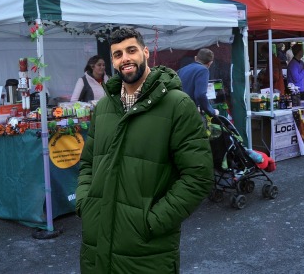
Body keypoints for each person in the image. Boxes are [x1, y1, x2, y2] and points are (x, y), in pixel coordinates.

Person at [75, 28, 213, 273]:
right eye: (117, 54)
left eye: (131, 50)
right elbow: (87, 164)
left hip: (147, 251)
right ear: (113, 61)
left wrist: (152, 221)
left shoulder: (178, 105)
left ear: (145, 52)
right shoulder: (104, 107)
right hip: (96, 246)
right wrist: (86, 205)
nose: (125, 58)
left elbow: (197, 177)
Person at [177, 48, 219, 117]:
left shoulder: (182, 70)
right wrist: (212, 111)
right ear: (210, 63)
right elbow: (200, 95)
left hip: (178, 112)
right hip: (190, 114)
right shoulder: (203, 70)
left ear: (195, 58)